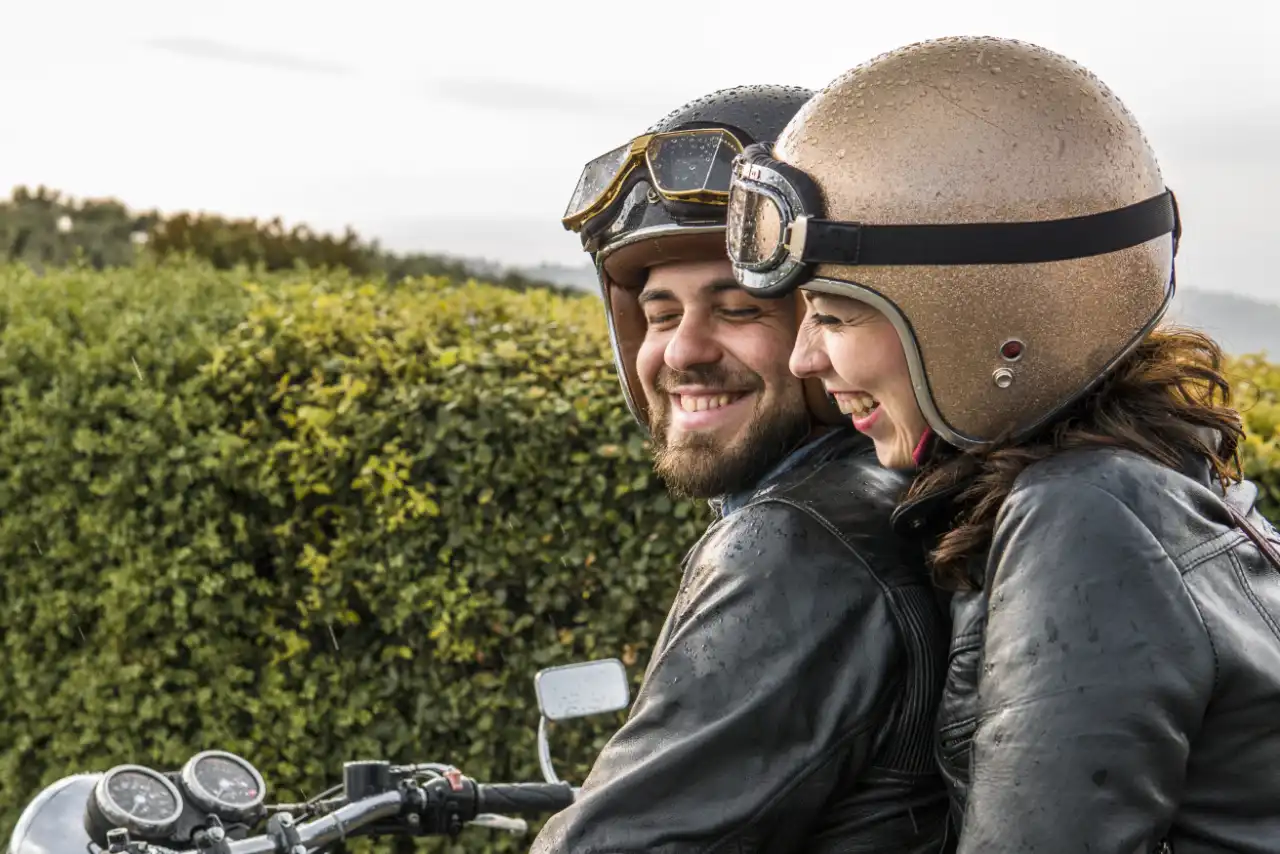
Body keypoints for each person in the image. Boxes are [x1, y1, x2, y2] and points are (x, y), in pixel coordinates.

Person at [724, 35, 1280, 853]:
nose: (806, 358)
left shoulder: (1082, 516)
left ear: (985, 327)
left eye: (835, 317)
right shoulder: (1162, 483)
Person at [530, 85, 951, 853]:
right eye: (660, 316)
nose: (683, 351)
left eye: (738, 309)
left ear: (832, 324)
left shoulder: (802, 543)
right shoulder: (912, 493)